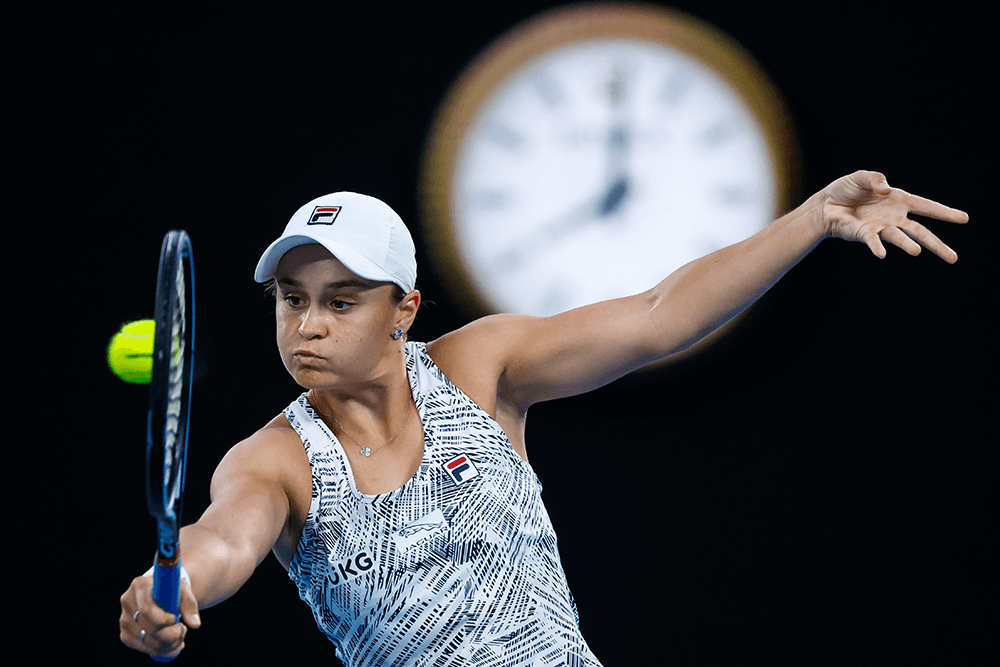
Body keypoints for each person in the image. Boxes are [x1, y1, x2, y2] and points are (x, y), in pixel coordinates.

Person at [119, 171, 967, 664]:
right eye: (290, 300)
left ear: (403, 308)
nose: (308, 325)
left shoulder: (481, 366)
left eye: (341, 301)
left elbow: (659, 313)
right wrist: (176, 587)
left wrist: (813, 219)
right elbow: (222, 538)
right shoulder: (276, 459)